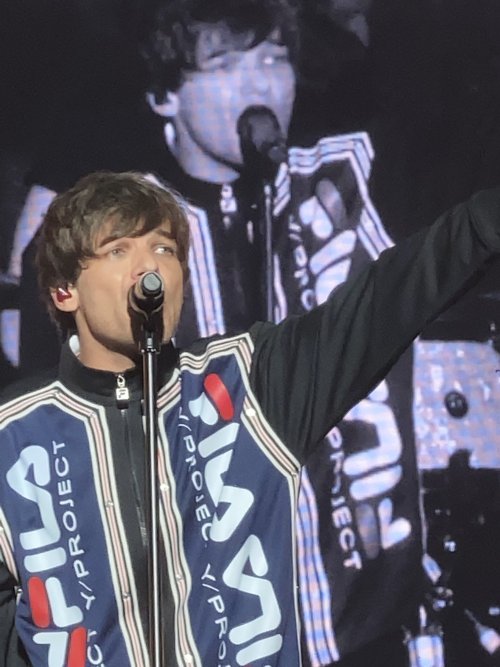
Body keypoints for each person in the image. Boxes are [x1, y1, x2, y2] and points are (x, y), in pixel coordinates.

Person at [1, 170, 500, 667]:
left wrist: (482, 222)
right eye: (118, 251)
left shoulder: (249, 380)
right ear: (66, 291)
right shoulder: (14, 437)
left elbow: (390, 293)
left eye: (164, 250)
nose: (148, 270)